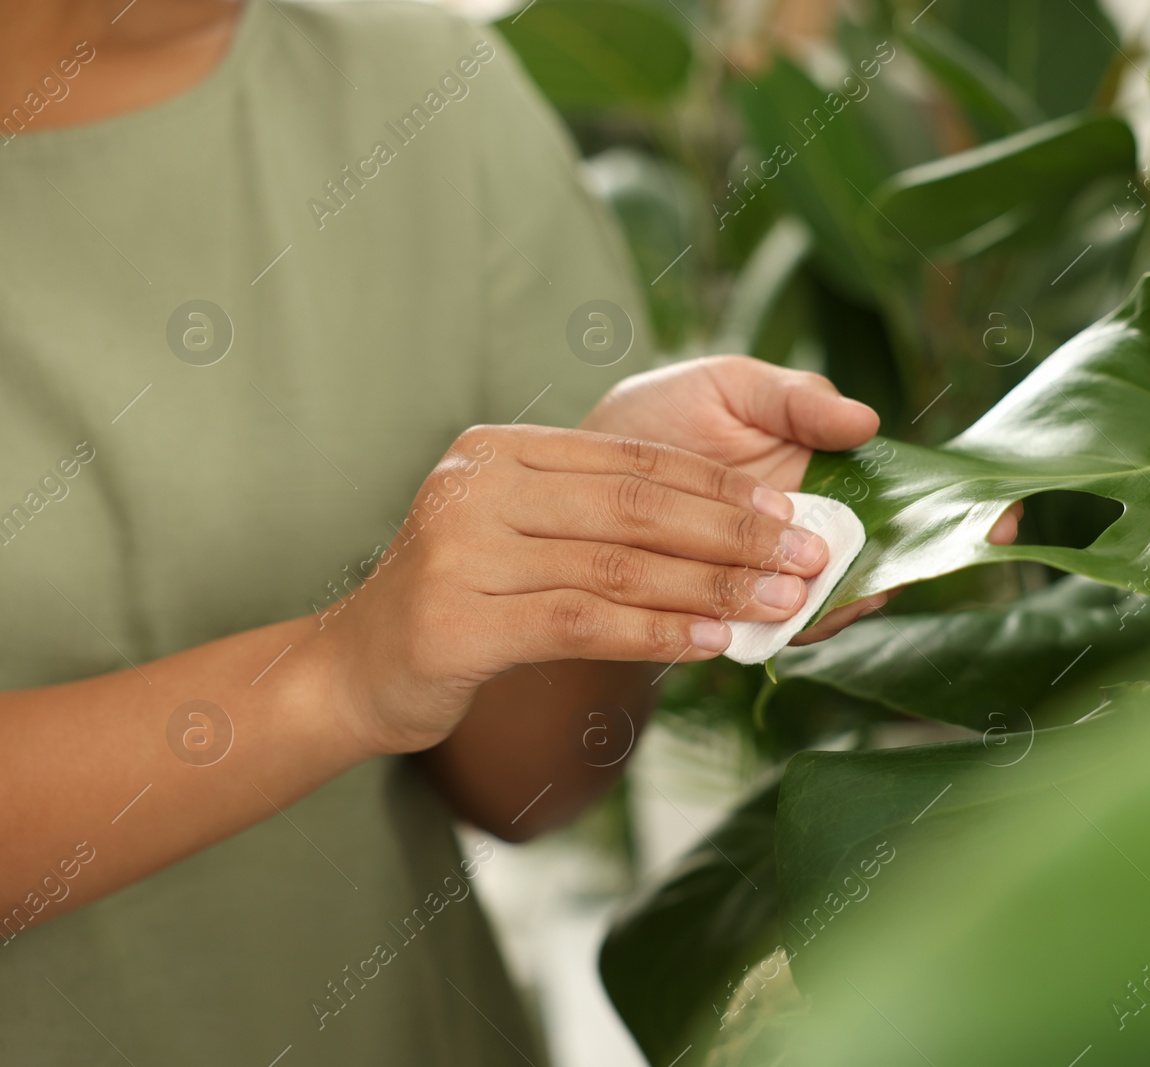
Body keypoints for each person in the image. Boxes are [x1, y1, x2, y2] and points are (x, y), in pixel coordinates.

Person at [0, 1, 1022, 1063]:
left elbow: (522, 785)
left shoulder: (418, 83)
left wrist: (601, 558)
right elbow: (371, 673)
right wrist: (340, 673)